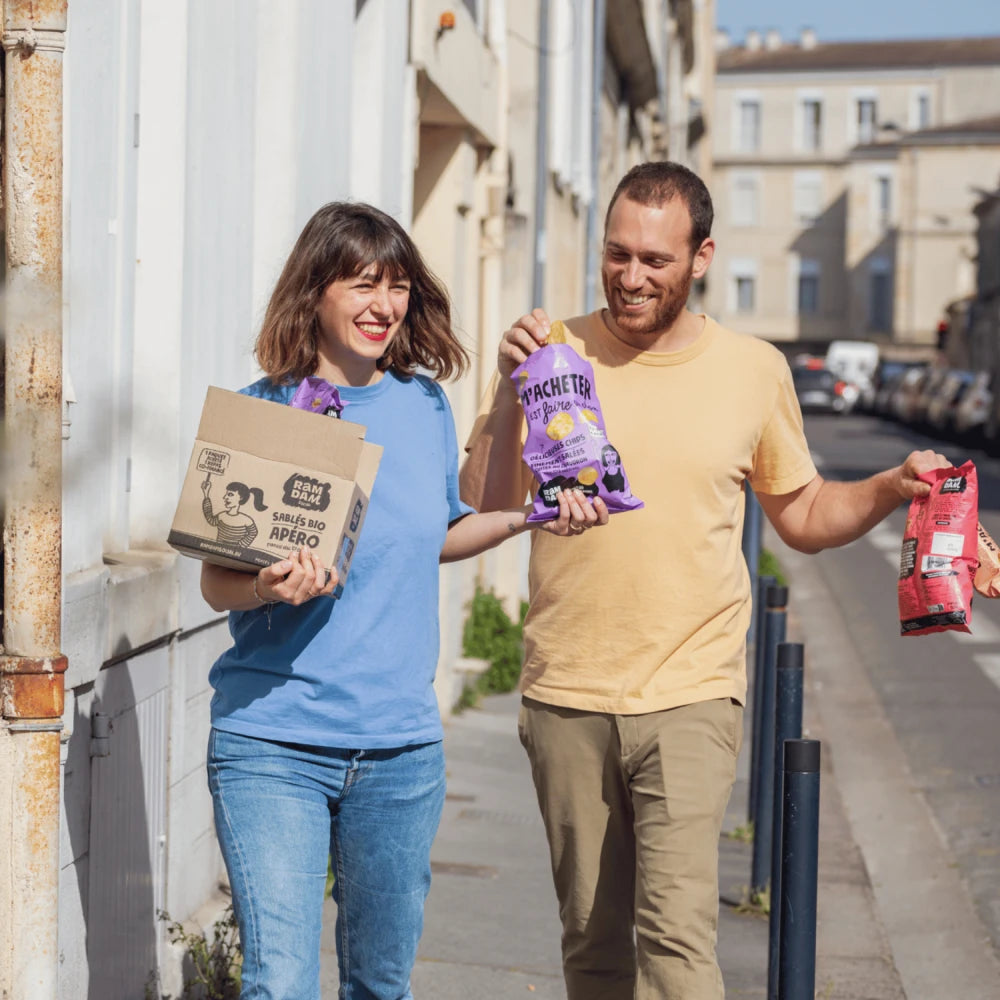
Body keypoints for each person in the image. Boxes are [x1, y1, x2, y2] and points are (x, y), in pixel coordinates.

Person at [459, 161, 949, 1000]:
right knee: (592, 946)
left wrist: (890, 487)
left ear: (702, 257)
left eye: (655, 260)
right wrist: (508, 393)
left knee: (678, 943)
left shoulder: (752, 370)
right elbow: (484, 502)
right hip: (566, 687)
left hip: (691, 691)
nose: (631, 277)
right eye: (617, 254)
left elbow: (804, 513)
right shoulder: (551, 353)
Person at [199, 201, 607, 1000]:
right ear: (315, 290)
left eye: (397, 287)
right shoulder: (263, 410)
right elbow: (217, 583)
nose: (383, 305)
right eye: (362, 284)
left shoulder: (424, 407)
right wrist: (265, 586)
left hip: (399, 752)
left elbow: (438, 532)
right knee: (279, 983)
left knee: (382, 986)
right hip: (273, 742)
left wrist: (531, 515)